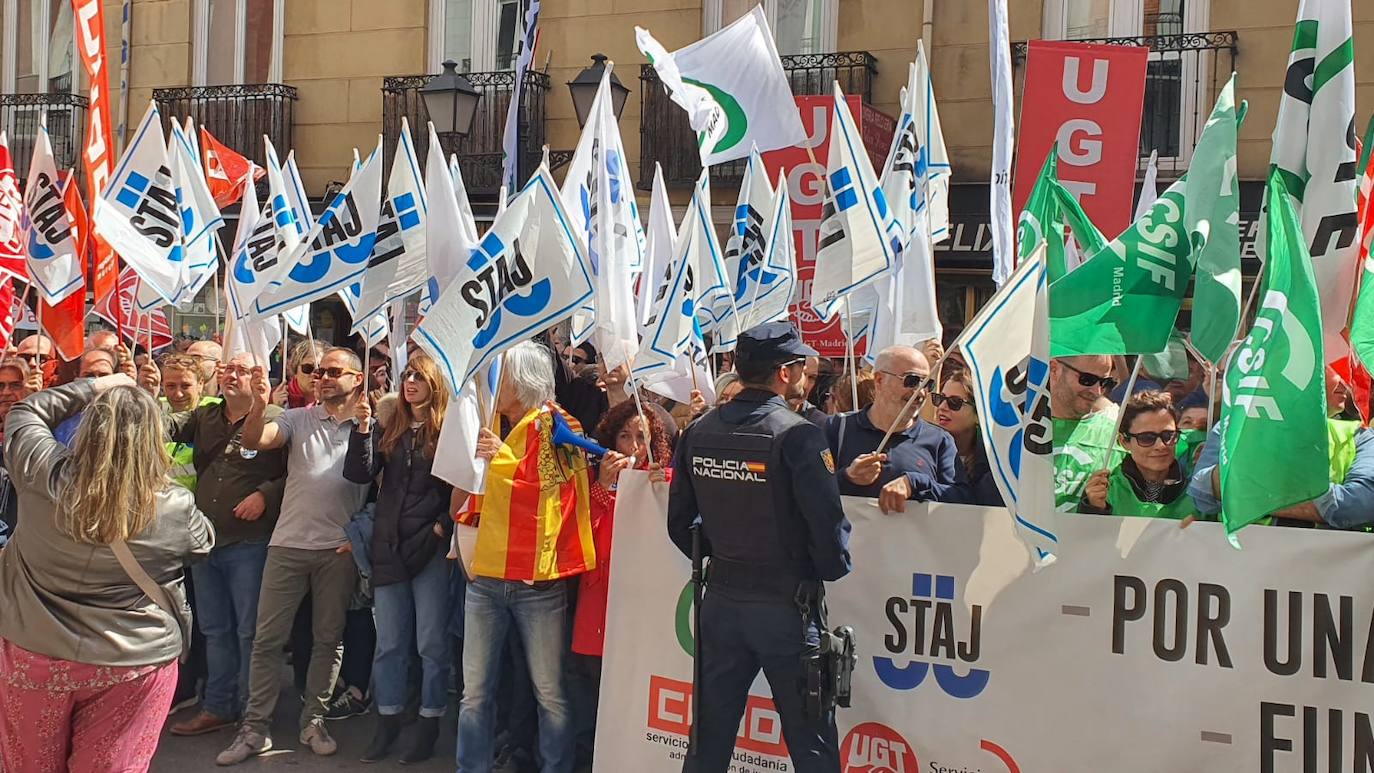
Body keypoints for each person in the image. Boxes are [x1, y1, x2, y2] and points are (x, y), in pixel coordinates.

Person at [0, 374, 214, 770]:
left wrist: (96, 385)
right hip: (133, 658)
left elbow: (27, 410)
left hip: (36, 651)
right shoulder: (172, 505)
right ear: (154, 439)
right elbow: (202, 543)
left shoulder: (40, 471)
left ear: (88, 428)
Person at [667, 321, 850, 773]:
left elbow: (678, 526)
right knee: (811, 743)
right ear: (784, 372)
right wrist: (817, 566)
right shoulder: (799, 434)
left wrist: (728, 550)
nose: (807, 375)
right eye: (801, 366)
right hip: (786, 607)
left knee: (707, 740)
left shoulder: (698, 431)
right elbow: (829, 531)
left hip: (722, 602)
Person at [217, 347, 370, 765]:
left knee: (328, 640)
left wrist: (361, 535)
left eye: (333, 371)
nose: (321, 376)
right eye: (318, 371)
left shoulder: (370, 423)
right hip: (287, 546)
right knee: (266, 641)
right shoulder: (298, 418)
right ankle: (254, 729)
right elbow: (255, 440)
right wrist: (260, 404)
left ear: (357, 379)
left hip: (336, 551)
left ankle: (314, 720)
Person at [455, 341, 593, 773]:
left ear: (525, 379)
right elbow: (468, 494)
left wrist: (500, 459)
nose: (495, 384)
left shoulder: (559, 422)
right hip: (485, 578)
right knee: (473, 692)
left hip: (538, 583)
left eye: (503, 374)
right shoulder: (489, 420)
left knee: (549, 693)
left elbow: (560, 494)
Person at [145, 353, 289, 738]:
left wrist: (264, 494)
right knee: (214, 629)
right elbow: (160, 427)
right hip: (206, 541)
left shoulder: (276, 417)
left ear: (261, 376)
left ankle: (252, 713)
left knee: (250, 631)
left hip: (249, 543)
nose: (231, 375)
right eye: (228, 368)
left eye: (242, 369)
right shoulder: (205, 416)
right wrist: (145, 390)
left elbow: (295, 473)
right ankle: (219, 707)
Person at [344, 353, 454, 764]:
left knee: (430, 642)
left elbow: (459, 487)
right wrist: (363, 427)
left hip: (428, 548)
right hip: (389, 546)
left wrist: (442, 526)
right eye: (407, 375)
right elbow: (359, 474)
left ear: (435, 385)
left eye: (419, 377)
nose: (410, 382)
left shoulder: (448, 430)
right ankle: (387, 720)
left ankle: (428, 720)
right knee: (389, 643)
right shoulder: (391, 426)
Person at [570, 400, 673, 765]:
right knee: (588, 711)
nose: (632, 446)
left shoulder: (666, 482)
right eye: (624, 436)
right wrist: (604, 487)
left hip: (641, 620)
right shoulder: (594, 482)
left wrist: (664, 493)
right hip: (597, 613)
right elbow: (585, 547)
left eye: (641, 438)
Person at [1188, 370, 1374, 529]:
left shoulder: (1360, 435)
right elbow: (1202, 491)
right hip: (1244, 563)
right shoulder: (1231, 427)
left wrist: (1247, 491)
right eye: (1334, 368)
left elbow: (1359, 505)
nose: (1345, 382)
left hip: (1325, 565)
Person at [825, 345, 957, 513]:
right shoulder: (837, 428)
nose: (921, 392)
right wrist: (848, 477)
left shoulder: (939, 440)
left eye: (927, 384)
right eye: (912, 380)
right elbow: (808, 489)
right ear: (879, 380)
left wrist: (915, 483)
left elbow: (961, 499)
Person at [1079, 391, 1201, 520]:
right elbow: (1089, 539)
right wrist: (1094, 509)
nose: (1160, 446)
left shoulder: (1200, 491)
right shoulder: (1104, 492)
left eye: (1168, 436)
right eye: (1147, 438)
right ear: (1124, 441)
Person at [1049, 355, 1125, 511]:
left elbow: (1151, 496)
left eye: (1105, 383)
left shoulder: (1120, 435)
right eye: (1087, 379)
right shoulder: (1014, 426)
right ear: (1054, 370)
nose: (1096, 391)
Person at [933, 368, 1003, 507]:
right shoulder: (925, 446)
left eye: (954, 402)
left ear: (978, 414)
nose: (942, 407)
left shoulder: (994, 460)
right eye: (940, 398)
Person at [272, 338, 327, 409]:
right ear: (295, 371)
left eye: (320, 370)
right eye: (308, 368)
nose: (315, 374)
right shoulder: (273, 396)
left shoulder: (331, 397)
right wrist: (276, 407)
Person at [789, 355, 827, 427]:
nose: (805, 385)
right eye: (800, 374)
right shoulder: (763, 415)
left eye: (812, 377)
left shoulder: (821, 423)